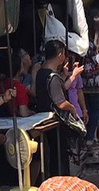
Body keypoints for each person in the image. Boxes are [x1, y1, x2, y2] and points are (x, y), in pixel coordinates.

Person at [35, 39, 81, 176]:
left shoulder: (41, 73)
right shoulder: (52, 76)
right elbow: (60, 102)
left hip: (43, 118)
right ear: (60, 55)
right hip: (54, 120)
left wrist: (68, 76)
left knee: (53, 154)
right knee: (59, 154)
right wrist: (72, 108)